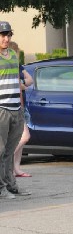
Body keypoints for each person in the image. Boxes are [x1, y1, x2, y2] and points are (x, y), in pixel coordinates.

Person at [0, 21, 31, 199]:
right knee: (0, 150)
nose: (6, 38)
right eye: (3, 35)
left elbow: (16, 83)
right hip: (1, 109)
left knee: (9, 151)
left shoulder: (12, 54)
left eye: (8, 35)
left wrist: (20, 106)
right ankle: (1, 187)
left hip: (15, 109)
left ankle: (11, 185)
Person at [9, 41, 34, 178]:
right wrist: (22, 84)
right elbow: (16, 84)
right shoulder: (8, 66)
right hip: (14, 106)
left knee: (20, 138)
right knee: (25, 136)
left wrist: (22, 84)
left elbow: (30, 80)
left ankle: (16, 168)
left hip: (22, 106)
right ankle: (6, 159)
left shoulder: (18, 66)